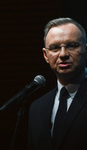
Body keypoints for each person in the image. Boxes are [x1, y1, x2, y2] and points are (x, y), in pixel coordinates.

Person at [28, 17, 87, 150]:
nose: (63, 54)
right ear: (45, 55)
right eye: (55, 48)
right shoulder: (37, 108)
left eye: (72, 46)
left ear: (85, 50)